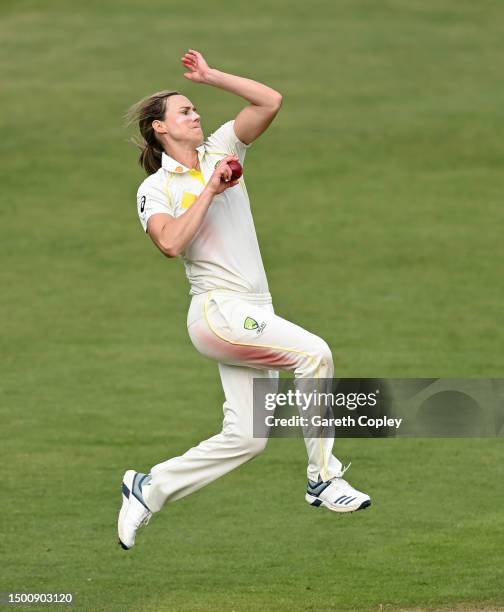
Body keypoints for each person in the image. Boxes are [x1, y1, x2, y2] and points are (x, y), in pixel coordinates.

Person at [118, 50, 371, 550]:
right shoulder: (156, 188)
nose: (197, 114)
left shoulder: (222, 148)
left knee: (247, 437)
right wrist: (210, 188)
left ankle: (151, 486)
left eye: (196, 107)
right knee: (314, 354)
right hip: (219, 312)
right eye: (185, 111)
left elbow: (269, 100)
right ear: (159, 129)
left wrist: (212, 77)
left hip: (255, 310)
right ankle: (323, 479)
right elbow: (170, 244)